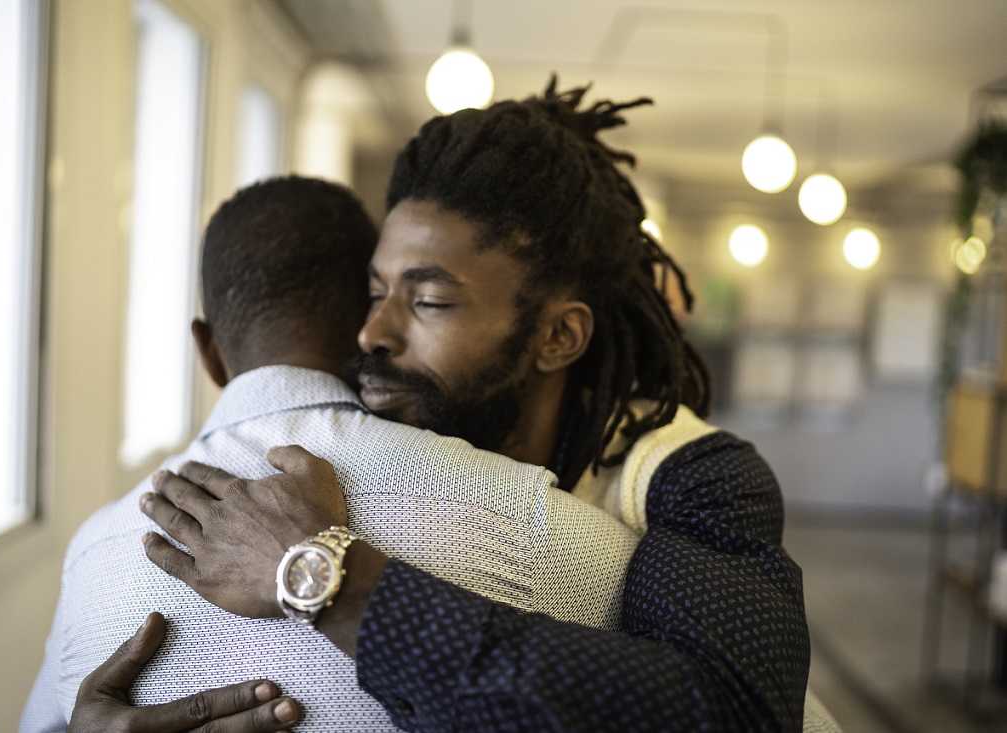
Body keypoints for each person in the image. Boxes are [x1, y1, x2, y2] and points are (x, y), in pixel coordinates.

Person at [74, 80, 812, 731]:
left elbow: (729, 712)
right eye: (375, 291)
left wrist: (322, 574)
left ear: (557, 335)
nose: (371, 333)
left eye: (427, 299)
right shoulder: (361, 450)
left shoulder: (695, 478)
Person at [21, 174, 643, 733]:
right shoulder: (549, 532)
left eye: (427, 298)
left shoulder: (96, 548)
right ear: (365, 322)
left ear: (208, 351)